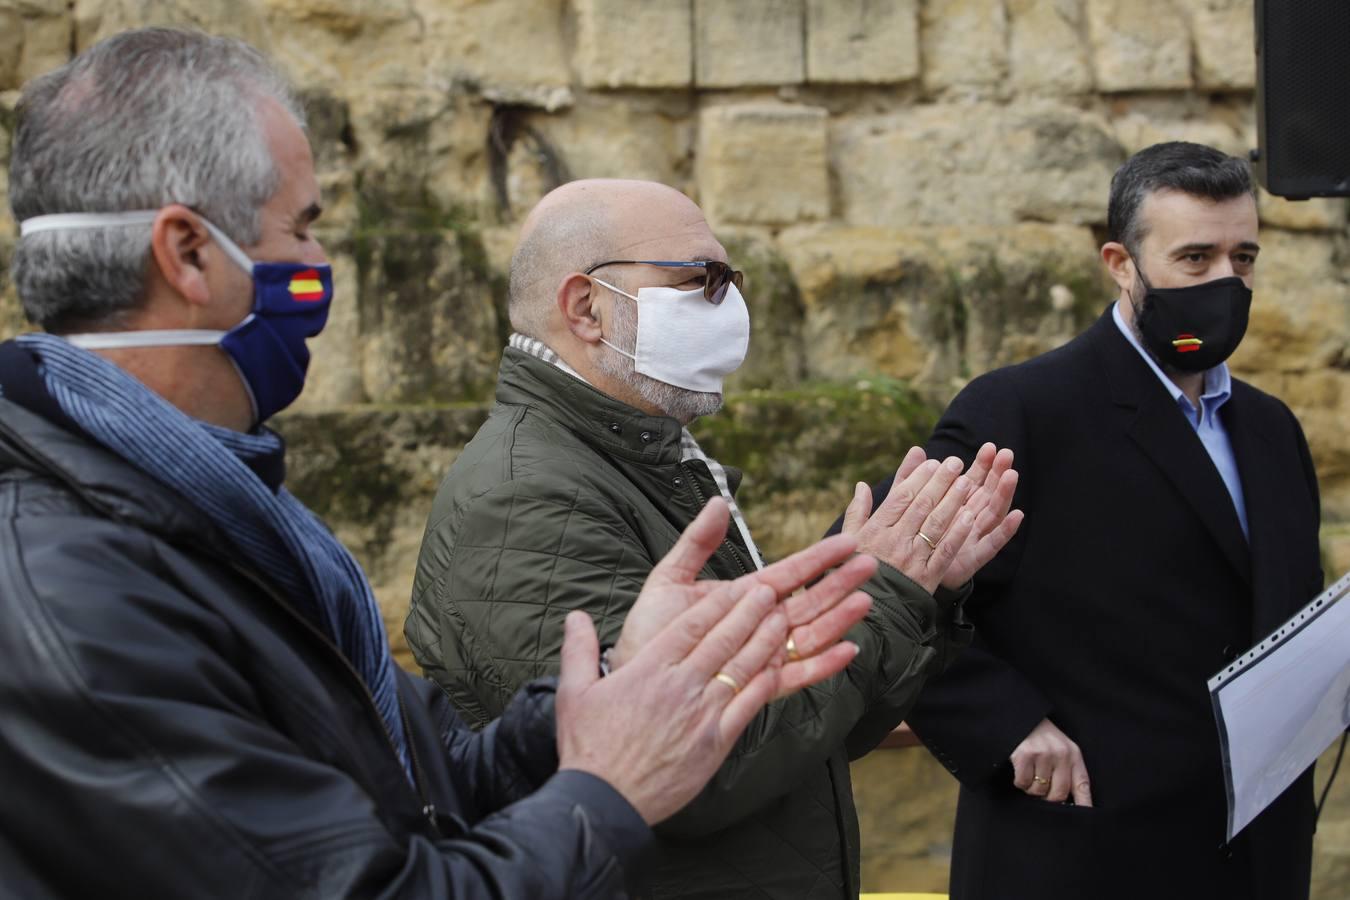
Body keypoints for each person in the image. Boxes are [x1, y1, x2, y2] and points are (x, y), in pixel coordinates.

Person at [0, 28, 880, 898]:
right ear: (190, 253)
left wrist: (612, 689)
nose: (318, 265)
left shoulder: (229, 510)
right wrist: (607, 792)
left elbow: (408, 775)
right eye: (300, 228)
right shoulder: (69, 593)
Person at [406, 177, 1024, 897]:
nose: (729, 305)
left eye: (730, 280)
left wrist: (908, 594)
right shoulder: (527, 500)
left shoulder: (650, 459)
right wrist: (881, 593)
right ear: (586, 307)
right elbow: (692, 767)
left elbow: (815, 738)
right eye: (702, 280)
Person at [842, 142, 1324, 900]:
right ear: (1120, 263)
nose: (1226, 283)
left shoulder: (1273, 430)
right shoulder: (1023, 410)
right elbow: (870, 577)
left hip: (1257, 859)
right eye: (1194, 258)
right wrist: (1002, 721)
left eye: (1244, 257)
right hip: (1084, 856)